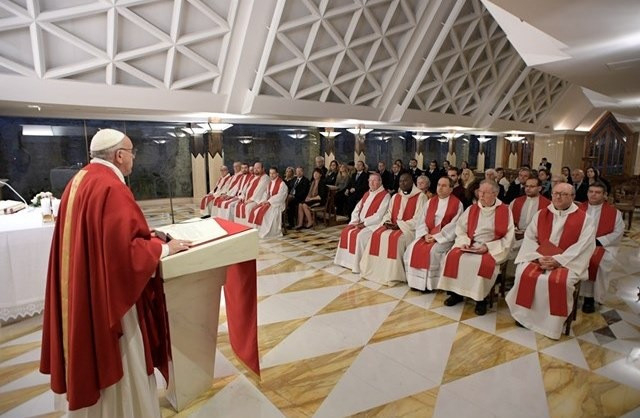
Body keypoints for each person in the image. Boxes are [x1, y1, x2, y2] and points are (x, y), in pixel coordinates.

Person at [40, 129, 190, 416]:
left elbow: (104, 238)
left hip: (88, 285)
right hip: (110, 295)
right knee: (123, 356)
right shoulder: (112, 187)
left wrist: (148, 236)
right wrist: (164, 249)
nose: (134, 158)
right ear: (119, 155)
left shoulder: (80, 180)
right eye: (131, 152)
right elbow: (126, 254)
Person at [505, 183, 596, 339]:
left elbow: (584, 246)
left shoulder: (585, 219)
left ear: (573, 197)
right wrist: (537, 257)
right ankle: (524, 316)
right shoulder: (541, 214)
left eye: (563, 194)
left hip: (568, 262)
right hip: (539, 257)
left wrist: (559, 260)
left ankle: (552, 324)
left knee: (560, 282)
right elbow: (530, 237)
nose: (558, 197)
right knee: (523, 274)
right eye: (555, 193)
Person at [438, 180, 515, 315]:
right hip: (471, 244)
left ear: (495, 194)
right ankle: (456, 294)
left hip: (492, 247)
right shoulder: (472, 209)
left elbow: (509, 237)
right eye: (480, 192)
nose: (481, 195)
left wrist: (488, 247)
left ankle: (481, 300)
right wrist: (464, 241)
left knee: (480, 263)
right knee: (452, 256)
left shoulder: (505, 211)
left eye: (485, 193)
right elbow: (460, 229)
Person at [359, 173, 425, 286]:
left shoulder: (421, 197)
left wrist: (399, 225)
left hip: (408, 229)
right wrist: (387, 221)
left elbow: (419, 218)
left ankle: (393, 275)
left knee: (396, 240)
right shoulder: (395, 197)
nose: (402, 183)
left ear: (412, 181)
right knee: (376, 234)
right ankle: (375, 270)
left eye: (405, 181)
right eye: (400, 181)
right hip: (393, 226)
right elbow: (388, 213)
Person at [404, 177, 463, 292]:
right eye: (439, 185)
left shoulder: (457, 204)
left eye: (444, 186)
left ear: (451, 189)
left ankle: (430, 285)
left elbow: (455, 225)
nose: (440, 188)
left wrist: (436, 237)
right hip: (427, 235)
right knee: (412, 248)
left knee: (433, 252)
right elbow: (422, 220)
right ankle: (416, 283)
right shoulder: (430, 201)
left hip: (444, 238)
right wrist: (425, 234)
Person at [578, 182, 624, 312]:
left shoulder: (614, 213)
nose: (593, 195)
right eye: (591, 191)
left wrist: (598, 241)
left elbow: (618, 232)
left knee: (596, 262)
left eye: (597, 192)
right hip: (579, 245)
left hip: (602, 246)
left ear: (605, 195)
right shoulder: (578, 209)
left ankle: (590, 298)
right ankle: (571, 291)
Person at [334, 173, 390, 273]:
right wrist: (355, 221)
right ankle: (345, 261)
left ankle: (358, 265)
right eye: (370, 180)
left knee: (360, 236)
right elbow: (357, 208)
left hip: (373, 225)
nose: (371, 183)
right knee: (346, 232)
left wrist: (364, 223)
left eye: (374, 180)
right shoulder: (367, 193)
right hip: (359, 222)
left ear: (380, 182)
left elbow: (379, 215)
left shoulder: (385, 195)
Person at [508, 177, 550, 260]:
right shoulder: (516, 201)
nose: (528, 189)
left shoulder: (548, 204)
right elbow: (508, 220)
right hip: (516, 236)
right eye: (526, 186)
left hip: (535, 239)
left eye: (532, 186)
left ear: (539, 188)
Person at [249, 167, 289, 238]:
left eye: (273, 173)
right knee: (256, 210)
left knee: (265, 214)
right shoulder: (270, 183)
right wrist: (263, 201)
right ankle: (258, 231)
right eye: (270, 173)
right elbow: (266, 194)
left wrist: (269, 201)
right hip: (269, 202)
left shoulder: (282, 184)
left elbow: (281, 196)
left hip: (276, 205)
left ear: (277, 174)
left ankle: (267, 232)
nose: (271, 175)